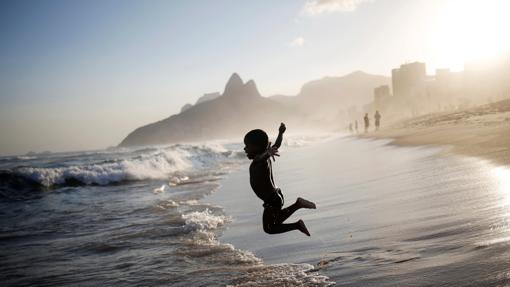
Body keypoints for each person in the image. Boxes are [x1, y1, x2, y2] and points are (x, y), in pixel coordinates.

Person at [244, 123, 316, 236]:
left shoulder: (260, 160)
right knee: (274, 223)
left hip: (272, 200)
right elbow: (277, 145)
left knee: (269, 228)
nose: (245, 149)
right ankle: (298, 208)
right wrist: (280, 133)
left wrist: (267, 153)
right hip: (274, 197)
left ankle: (298, 213)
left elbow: (261, 157)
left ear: (256, 148)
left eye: (247, 146)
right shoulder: (263, 157)